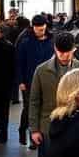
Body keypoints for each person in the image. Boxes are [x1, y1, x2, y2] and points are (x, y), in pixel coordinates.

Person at [17, 14, 54, 147]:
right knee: (29, 108)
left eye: (43, 29)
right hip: (29, 81)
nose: (41, 31)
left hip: (48, 80)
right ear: (33, 28)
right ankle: (24, 131)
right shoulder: (25, 42)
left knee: (44, 108)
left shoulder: (52, 41)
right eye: (38, 29)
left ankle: (38, 137)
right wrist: (20, 81)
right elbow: (19, 63)